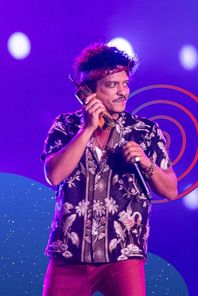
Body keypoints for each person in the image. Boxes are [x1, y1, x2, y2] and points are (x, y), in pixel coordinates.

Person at [41, 43, 178, 296]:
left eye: (125, 84)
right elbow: (54, 175)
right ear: (87, 91)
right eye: (112, 85)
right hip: (69, 255)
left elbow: (170, 189)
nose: (123, 92)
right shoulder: (65, 126)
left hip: (124, 255)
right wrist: (87, 130)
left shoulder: (145, 131)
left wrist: (147, 164)